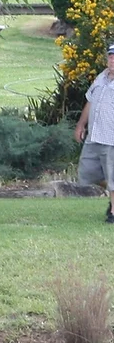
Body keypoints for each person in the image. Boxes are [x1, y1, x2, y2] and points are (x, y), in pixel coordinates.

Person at [74, 43, 114, 224]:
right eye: (111, 56)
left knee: (112, 176)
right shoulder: (101, 78)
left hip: (111, 138)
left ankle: (113, 212)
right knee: (88, 172)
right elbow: (90, 101)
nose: (112, 60)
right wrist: (81, 125)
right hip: (94, 135)